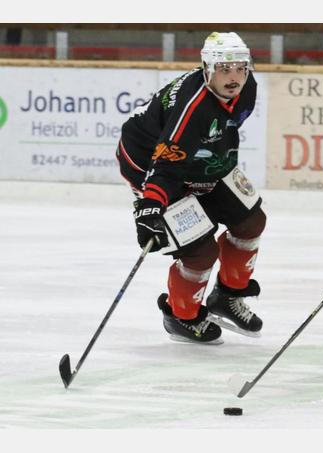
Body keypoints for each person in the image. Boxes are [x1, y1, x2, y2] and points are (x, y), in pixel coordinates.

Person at [116, 32, 265, 344]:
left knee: (251, 221)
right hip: (149, 162)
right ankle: (181, 317)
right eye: (224, 69)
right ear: (206, 68)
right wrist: (151, 207)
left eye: (239, 68)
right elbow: (166, 165)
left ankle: (226, 296)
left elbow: (224, 129)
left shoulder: (247, 87)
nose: (233, 77)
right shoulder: (193, 107)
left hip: (198, 158)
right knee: (201, 251)